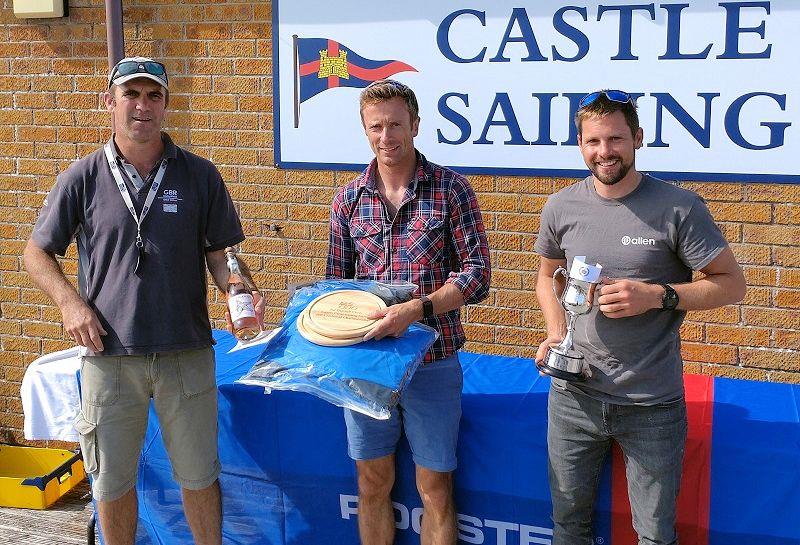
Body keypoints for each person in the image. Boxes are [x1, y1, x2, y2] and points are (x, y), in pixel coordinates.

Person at [23, 57, 263, 545]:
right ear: (108, 103)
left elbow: (223, 254)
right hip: (109, 357)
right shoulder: (84, 176)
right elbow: (35, 252)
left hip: (186, 352)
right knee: (112, 480)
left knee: (199, 476)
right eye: (131, 94)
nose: (142, 106)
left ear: (166, 105)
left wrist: (237, 287)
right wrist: (71, 304)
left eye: (154, 96)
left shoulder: (199, 175)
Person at [533, 89, 746, 545]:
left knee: (653, 535)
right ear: (580, 145)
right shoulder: (561, 206)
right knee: (568, 526)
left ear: (638, 139)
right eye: (593, 141)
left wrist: (656, 296)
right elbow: (546, 277)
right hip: (573, 398)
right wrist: (556, 333)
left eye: (615, 139)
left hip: (651, 403)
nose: (604, 152)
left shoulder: (679, 207)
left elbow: (731, 283)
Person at [326, 79, 491, 545]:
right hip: (367, 364)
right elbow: (336, 285)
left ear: (415, 125)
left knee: (434, 487)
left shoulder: (451, 188)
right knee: (371, 483)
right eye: (376, 127)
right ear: (365, 130)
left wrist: (418, 309)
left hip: (433, 364)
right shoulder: (347, 200)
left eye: (396, 124)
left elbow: (477, 274)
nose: (386, 136)